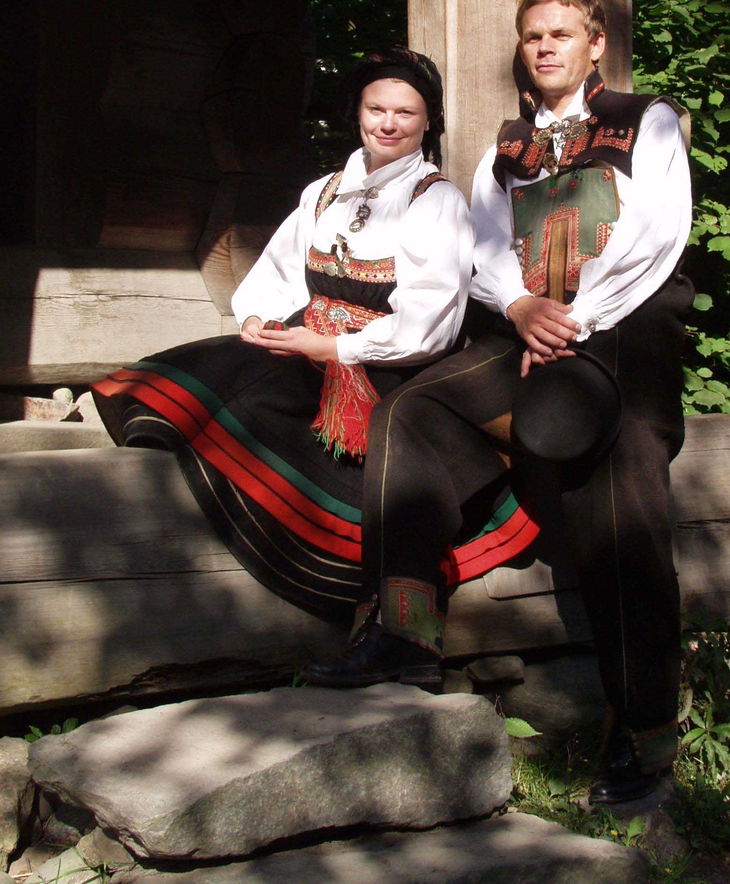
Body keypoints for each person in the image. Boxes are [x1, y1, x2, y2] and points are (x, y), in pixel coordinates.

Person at [307, 0, 694, 804]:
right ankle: (404, 635)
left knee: (621, 491)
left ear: (596, 43)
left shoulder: (647, 120)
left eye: (562, 33)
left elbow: (658, 234)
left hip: (621, 338)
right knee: (414, 407)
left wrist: (575, 320)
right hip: (525, 336)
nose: (546, 46)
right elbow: (484, 249)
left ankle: (647, 728)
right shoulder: (504, 148)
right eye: (532, 36)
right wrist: (519, 306)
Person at [91, 49, 484, 632]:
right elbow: (278, 273)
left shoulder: (437, 202)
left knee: (253, 401)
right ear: (358, 112)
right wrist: (258, 319)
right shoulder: (324, 192)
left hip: (381, 359)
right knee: (211, 366)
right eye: (377, 108)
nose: (388, 123)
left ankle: (305, 563)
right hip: (307, 341)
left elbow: (433, 319)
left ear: (429, 122)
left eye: (405, 112)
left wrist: (337, 349)